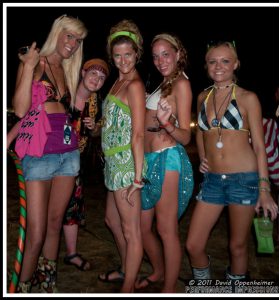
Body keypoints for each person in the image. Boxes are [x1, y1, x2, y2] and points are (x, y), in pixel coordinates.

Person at [185, 41, 279, 281]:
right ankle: (205, 288)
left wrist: (265, 189)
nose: (219, 66)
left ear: (236, 64)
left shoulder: (248, 98)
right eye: (212, 61)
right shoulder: (202, 97)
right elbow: (200, 132)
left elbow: (259, 146)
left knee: (237, 247)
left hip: (244, 180)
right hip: (212, 181)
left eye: (225, 61)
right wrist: (203, 158)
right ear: (206, 65)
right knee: (193, 245)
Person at [11, 15, 87, 293]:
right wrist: (29, 66)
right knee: (36, 232)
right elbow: (21, 110)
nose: (73, 44)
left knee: (56, 223)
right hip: (40, 154)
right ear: (57, 33)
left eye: (78, 40)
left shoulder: (67, 69)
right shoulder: (36, 62)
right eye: (69, 36)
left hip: (68, 154)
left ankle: (47, 284)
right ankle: (22, 287)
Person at [135, 33, 194, 293]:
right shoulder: (164, 84)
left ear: (178, 54)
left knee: (166, 229)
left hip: (167, 158)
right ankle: (159, 271)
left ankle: (169, 289)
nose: (160, 60)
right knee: (143, 226)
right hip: (148, 160)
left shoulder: (181, 84)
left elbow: (185, 136)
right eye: (156, 56)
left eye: (165, 54)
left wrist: (167, 124)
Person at [98, 19, 146, 293]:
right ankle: (128, 269)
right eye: (117, 55)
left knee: (132, 231)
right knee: (111, 220)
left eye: (128, 54)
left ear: (137, 54)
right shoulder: (118, 81)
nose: (123, 60)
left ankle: (128, 287)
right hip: (112, 163)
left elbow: (138, 134)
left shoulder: (135, 85)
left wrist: (137, 178)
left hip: (126, 165)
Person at [62, 58, 109, 271]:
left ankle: (71, 254)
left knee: (73, 207)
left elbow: (98, 129)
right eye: (93, 74)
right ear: (82, 72)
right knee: (48, 210)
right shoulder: (66, 92)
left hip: (76, 162)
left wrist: (93, 128)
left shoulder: (96, 101)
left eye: (101, 78)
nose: (96, 80)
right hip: (52, 159)